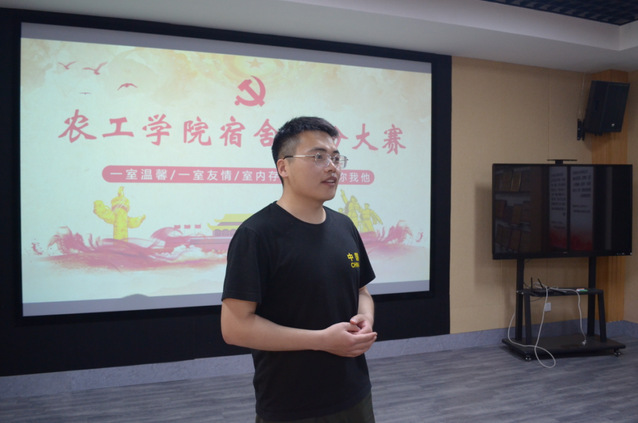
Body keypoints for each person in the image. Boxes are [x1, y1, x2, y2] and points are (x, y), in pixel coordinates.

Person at [221, 116, 377, 422]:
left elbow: (362, 291)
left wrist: (365, 320)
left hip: (355, 392)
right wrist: (322, 340)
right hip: (291, 404)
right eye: (318, 157)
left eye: (335, 158)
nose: (332, 167)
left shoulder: (344, 226)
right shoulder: (256, 234)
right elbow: (234, 327)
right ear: (284, 167)